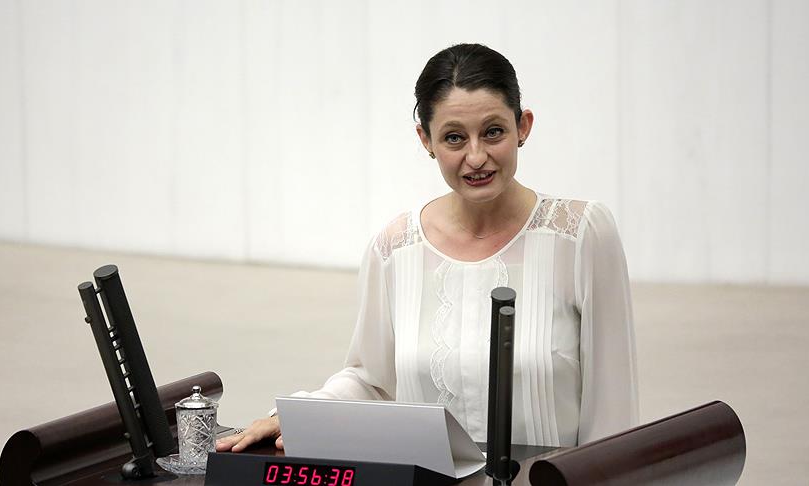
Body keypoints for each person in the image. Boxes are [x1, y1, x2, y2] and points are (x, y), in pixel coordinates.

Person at [217, 43, 638, 453]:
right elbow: (372, 381)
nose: (476, 156)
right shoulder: (395, 249)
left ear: (523, 126)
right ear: (426, 140)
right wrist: (296, 415)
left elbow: (613, 409)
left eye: (493, 132)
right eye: (454, 138)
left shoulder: (580, 235)